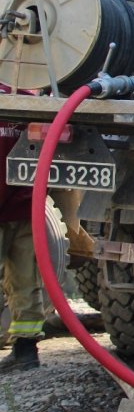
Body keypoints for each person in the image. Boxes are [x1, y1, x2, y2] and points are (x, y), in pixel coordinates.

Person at [0, 116, 44, 372]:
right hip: (26, 207)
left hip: (11, 208)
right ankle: (26, 352)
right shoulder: (28, 98)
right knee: (25, 280)